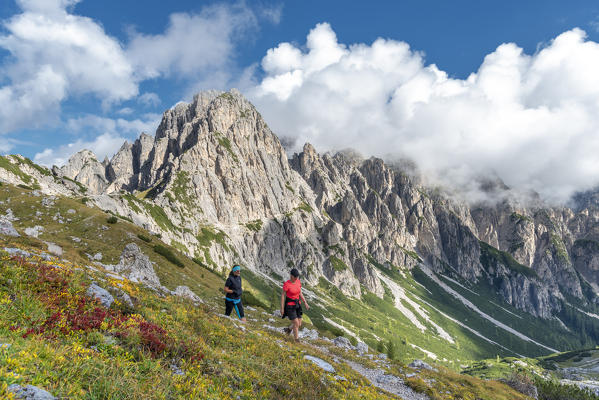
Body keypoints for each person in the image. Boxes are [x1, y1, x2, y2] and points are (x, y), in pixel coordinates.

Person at [281, 268, 309, 341]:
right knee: (296, 323)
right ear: (291, 276)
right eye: (295, 277)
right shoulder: (287, 284)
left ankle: (288, 329)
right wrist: (282, 308)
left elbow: (300, 292)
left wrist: (305, 302)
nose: (296, 278)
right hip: (290, 306)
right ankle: (297, 341)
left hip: (297, 305)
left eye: (297, 277)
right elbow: (283, 296)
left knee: (299, 324)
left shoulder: (298, 282)